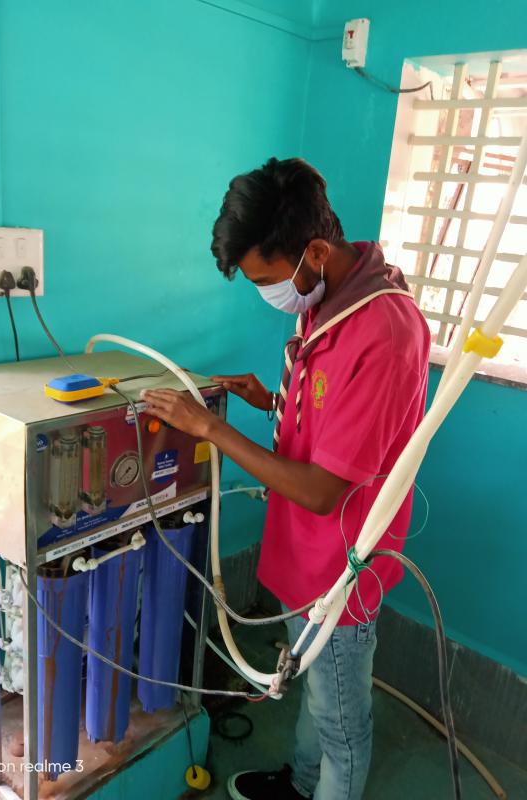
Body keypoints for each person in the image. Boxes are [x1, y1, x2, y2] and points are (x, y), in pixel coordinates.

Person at [141, 157, 430, 800]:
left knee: (342, 722)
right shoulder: (328, 296)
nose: (268, 294)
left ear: (316, 251)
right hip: (303, 558)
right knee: (313, 685)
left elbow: (326, 489)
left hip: (341, 566)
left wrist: (212, 429)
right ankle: (301, 785)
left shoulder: (381, 330)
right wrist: (271, 402)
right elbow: (340, 421)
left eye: (268, 280)